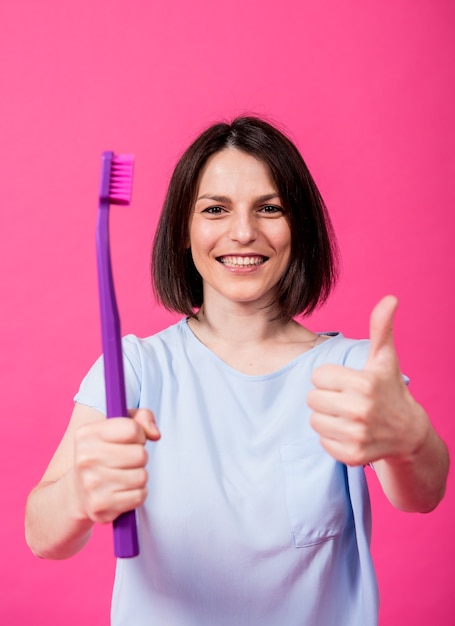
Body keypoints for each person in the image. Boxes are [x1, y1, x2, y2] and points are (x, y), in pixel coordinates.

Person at [25, 117, 449, 625]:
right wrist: (80, 492)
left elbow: (423, 493)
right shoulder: (134, 369)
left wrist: (412, 440)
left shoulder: (350, 369)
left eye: (269, 208)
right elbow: (42, 536)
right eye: (215, 210)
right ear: (184, 230)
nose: (243, 232)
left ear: (300, 228)